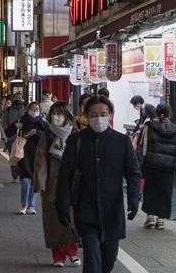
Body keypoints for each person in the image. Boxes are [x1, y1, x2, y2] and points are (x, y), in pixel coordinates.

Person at [56, 95, 141, 273]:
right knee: (92, 257)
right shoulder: (76, 140)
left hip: (112, 210)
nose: (98, 118)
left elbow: (133, 173)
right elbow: (65, 175)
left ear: (110, 115)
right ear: (86, 116)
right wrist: (62, 204)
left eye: (103, 113)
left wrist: (134, 198)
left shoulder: (122, 141)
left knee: (108, 260)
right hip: (85, 208)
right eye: (93, 114)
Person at [34, 102, 81, 267]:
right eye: (54, 113)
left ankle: (73, 252)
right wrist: (40, 183)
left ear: (67, 115)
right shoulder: (47, 135)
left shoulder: (75, 133)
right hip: (52, 184)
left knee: (72, 217)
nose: (57, 116)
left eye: (60, 113)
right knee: (53, 221)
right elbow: (40, 161)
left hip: (72, 184)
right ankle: (58, 256)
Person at [138, 103, 176, 230]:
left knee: (150, 190)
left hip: (151, 164)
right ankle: (160, 220)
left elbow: (143, 145)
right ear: (169, 114)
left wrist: (142, 162)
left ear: (156, 113)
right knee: (165, 192)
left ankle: (150, 217)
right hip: (168, 166)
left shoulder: (149, 126)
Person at [13, 102, 48, 214]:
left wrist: (36, 132)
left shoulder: (43, 123)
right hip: (23, 154)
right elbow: (8, 132)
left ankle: (31, 206)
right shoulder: (21, 120)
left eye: (37, 109)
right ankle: (24, 205)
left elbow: (49, 136)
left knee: (34, 180)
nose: (35, 110)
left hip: (38, 155)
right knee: (25, 181)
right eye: (32, 109)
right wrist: (15, 126)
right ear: (28, 110)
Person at [2, 93, 26, 183]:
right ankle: (15, 176)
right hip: (11, 137)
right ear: (13, 99)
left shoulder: (26, 109)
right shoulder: (8, 110)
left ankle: (23, 175)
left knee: (23, 157)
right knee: (13, 157)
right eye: (16, 98)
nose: (18, 99)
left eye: (20, 98)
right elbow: (4, 122)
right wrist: (7, 132)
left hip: (23, 137)